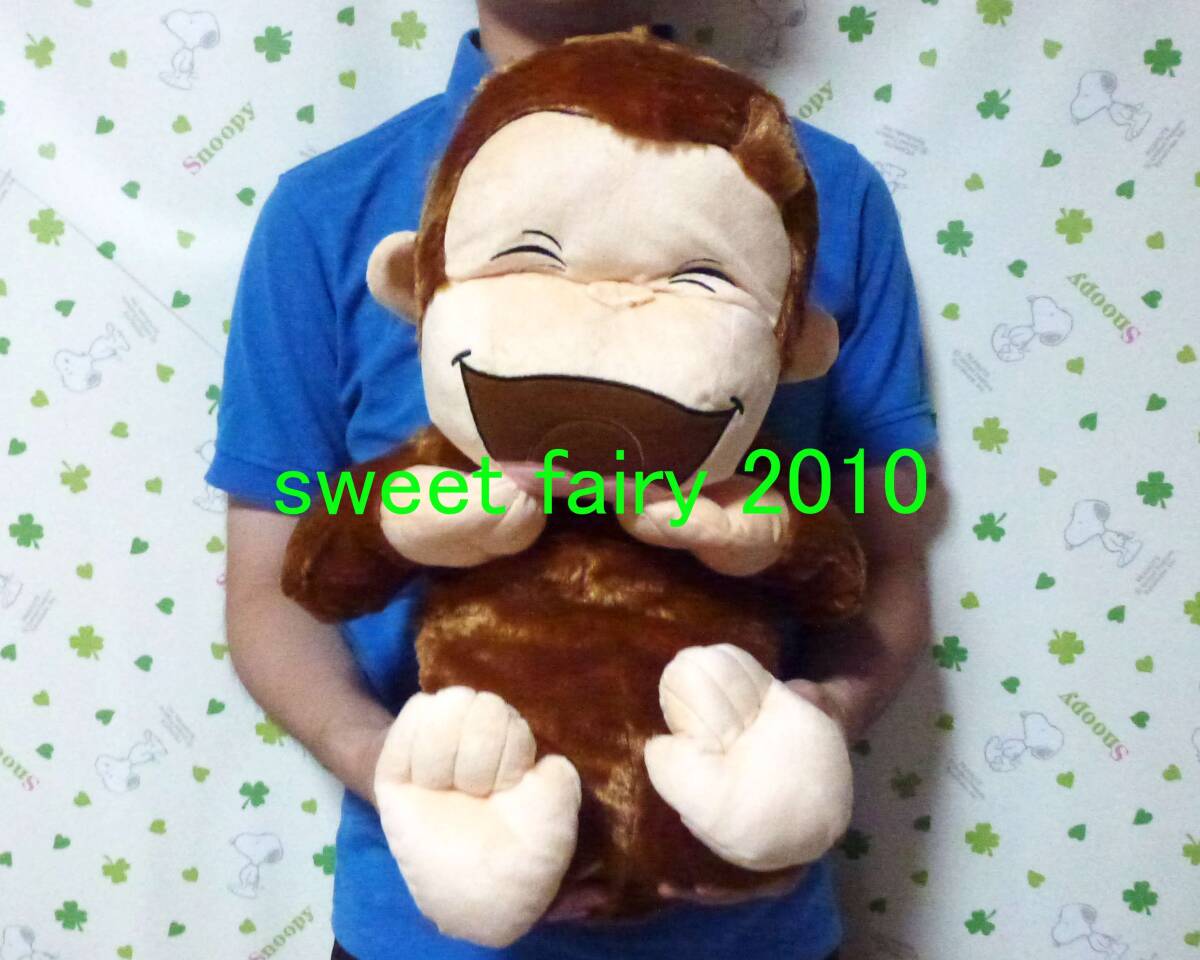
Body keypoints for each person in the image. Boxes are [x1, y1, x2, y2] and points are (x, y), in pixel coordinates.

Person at [209, 2, 947, 959]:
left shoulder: (821, 190)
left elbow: (888, 552)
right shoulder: (325, 209)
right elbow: (271, 588)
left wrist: (818, 734)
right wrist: (394, 772)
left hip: (749, 927)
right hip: (435, 921)